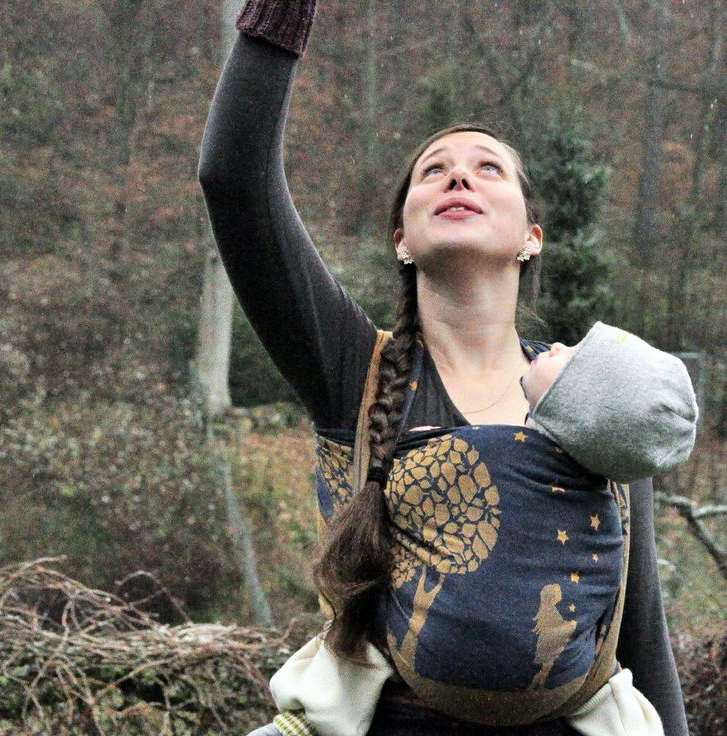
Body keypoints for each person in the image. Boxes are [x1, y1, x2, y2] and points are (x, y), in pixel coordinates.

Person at [197, 2, 690, 734]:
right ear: (402, 237)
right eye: (435, 171)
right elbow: (233, 180)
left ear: (531, 234)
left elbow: (638, 639)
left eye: (488, 168)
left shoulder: (595, 399)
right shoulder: (350, 372)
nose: (460, 176)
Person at [250, 322, 697, 736]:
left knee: (345, 674)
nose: (559, 344)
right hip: (505, 695)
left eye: (575, 357)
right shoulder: (597, 485)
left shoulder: (602, 492)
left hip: (566, 691)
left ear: (586, 406)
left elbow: (639, 631)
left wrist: (421, 452)